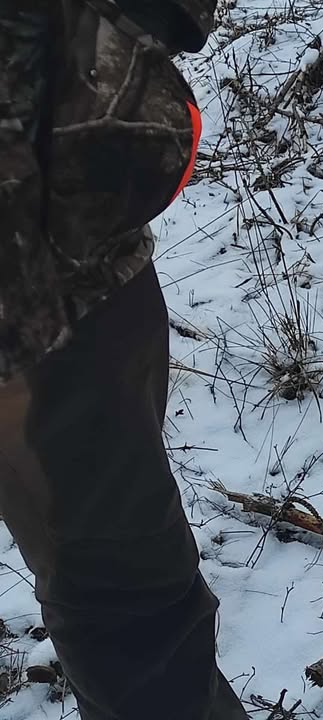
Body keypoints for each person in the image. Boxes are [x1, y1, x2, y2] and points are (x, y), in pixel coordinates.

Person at [0, 0, 248, 717]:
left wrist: (134, 34)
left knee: (129, 604)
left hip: (76, 259)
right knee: (131, 612)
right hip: (46, 304)